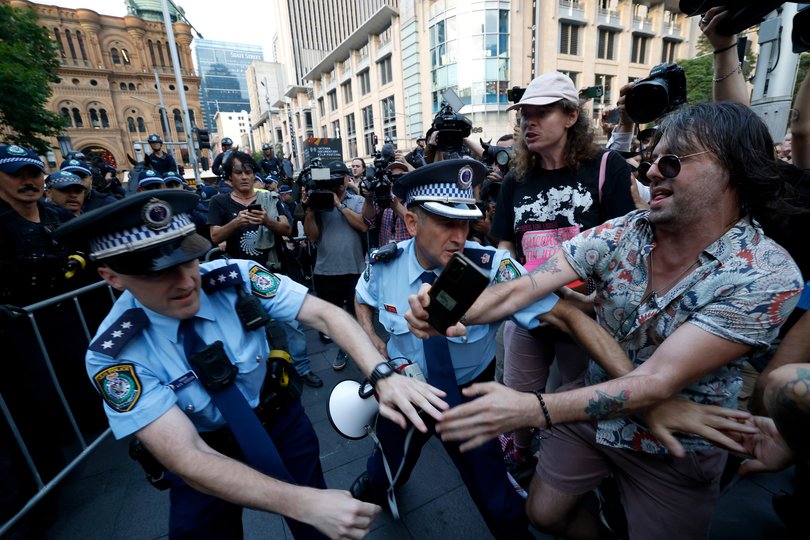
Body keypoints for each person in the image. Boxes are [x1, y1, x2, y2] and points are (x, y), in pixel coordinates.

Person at [406, 102, 804, 539]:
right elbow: (523, 288)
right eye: (652, 160)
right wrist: (446, 311)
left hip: (674, 443)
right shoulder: (622, 232)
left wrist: (532, 408)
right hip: (591, 414)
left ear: (734, 170)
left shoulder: (766, 274)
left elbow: (656, 380)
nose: (652, 172)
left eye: (672, 161)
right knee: (544, 514)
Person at [53, 190, 451, 539]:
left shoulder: (236, 277)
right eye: (159, 273)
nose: (186, 281)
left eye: (188, 260)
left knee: (321, 524)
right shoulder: (114, 354)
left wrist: (381, 374)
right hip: (207, 447)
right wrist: (300, 503)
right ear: (112, 277)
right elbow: (188, 456)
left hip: (280, 421)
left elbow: (326, 315)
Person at [350, 159, 562, 539]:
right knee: (387, 463)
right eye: (447, 223)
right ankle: (380, 483)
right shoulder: (385, 264)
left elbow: (556, 315)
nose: (460, 237)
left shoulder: (493, 268)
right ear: (412, 223)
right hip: (406, 388)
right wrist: (370, 336)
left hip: (468, 395)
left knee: (492, 490)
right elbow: (362, 297)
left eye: (465, 223)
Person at [491, 71, 636, 472]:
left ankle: (570, 466)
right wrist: (513, 289)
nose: (529, 122)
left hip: (588, 318)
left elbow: (627, 248)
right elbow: (504, 245)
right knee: (519, 393)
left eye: (542, 113)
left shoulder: (606, 167)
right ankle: (521, 450)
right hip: (529, 314)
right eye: (525, 115)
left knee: (578, 400)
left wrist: (592, 301)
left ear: (571, 116)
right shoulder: (516, 179)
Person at [207, 152, 322, 388]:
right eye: (238, 172)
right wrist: (236, 222)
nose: (244, 177)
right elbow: (215, 236)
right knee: (252, 329)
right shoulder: (219, 202)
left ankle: (302, 368)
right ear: (229, 177)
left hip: (274, 273)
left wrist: (267, 221)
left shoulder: (269, 197)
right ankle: (263, 375)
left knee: (292, 324)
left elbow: (287, 229)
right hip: (241, 280)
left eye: (248, 172)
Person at [302, 160, 367, 370]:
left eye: (340, 177)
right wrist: (309, 209)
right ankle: (343, 348)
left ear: (347, 179)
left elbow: (363, 225)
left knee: (358, 315)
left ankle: (363, 352)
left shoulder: (357, 199)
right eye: (332, 178)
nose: (336, 182)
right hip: (326, 270)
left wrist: (339, 205)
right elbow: (312, 237)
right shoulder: (318, 202)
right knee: (335, 318)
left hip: (354, 268)